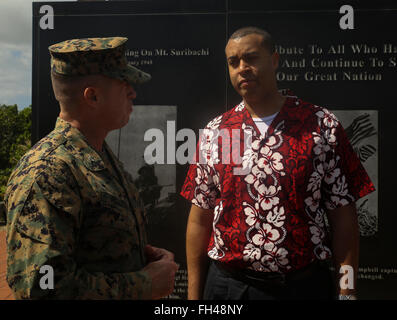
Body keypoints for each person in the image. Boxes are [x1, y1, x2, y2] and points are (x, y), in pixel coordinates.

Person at [181, 27, 375, 300]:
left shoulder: (321, 126)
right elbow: (199, 221)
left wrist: (347, 291)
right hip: (228, 288)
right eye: (233, 62)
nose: (242, 68)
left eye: (251, 58)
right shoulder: (217, 132)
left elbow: (344, 219)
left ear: (274, 60)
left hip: (303, 287)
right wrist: (193, 297)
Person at [4, 37, 178, 299]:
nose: (132, 92)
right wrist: (144, 284)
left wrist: (139, 254)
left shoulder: (97, 154)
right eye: (124, 83)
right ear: (93, 96)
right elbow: (43, 288)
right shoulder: (47, 171)